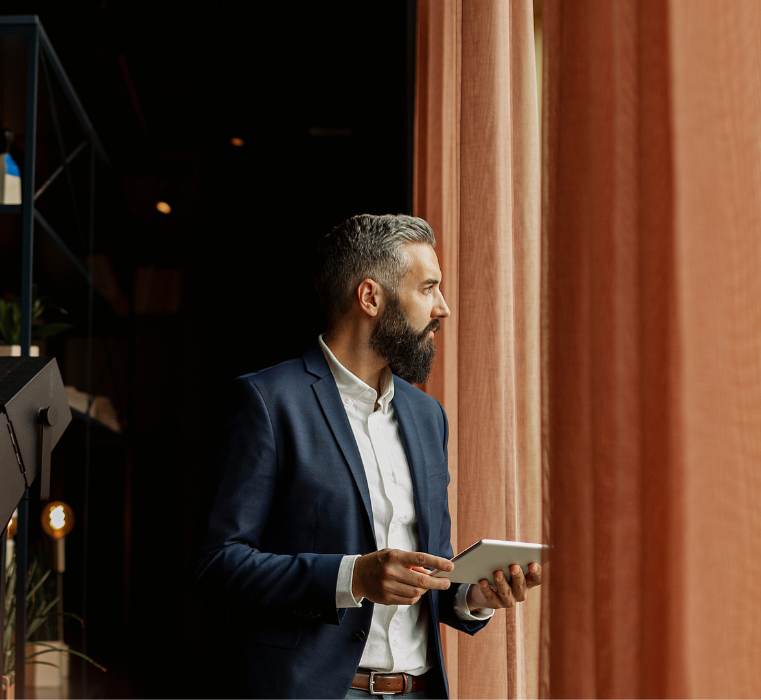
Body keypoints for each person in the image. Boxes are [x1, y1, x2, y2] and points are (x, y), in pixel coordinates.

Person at [193, 214, 543, 699]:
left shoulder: (427, 416)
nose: (442, 308)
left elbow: (427, 566)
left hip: (418, 690)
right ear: (371, 297)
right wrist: (352, 576)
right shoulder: (268, 402)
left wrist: (471, 595)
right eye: (428, 288)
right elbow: (219, 564)